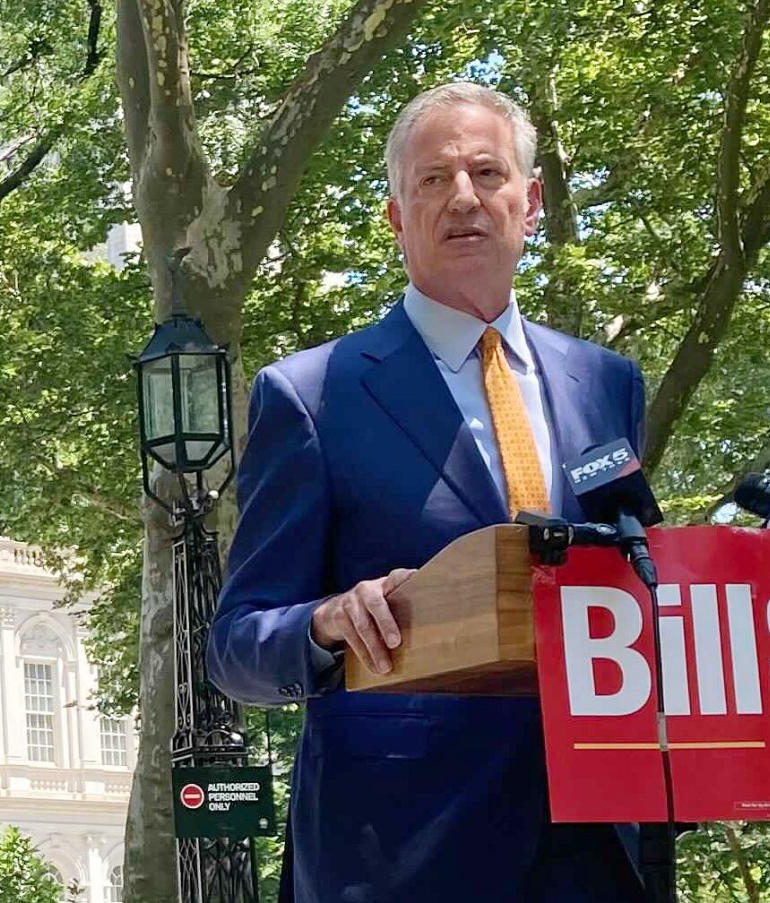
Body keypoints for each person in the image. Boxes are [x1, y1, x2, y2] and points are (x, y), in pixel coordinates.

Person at [208, 82, 647, 903]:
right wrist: (329, 621)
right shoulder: (311, 394)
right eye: (432, 181)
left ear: (532, 200)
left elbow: (637, 569)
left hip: (602, 843)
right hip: (399, 852)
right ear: (396, 218)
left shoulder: (607, 383)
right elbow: (236, 643)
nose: (463, 198)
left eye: (487, 172)